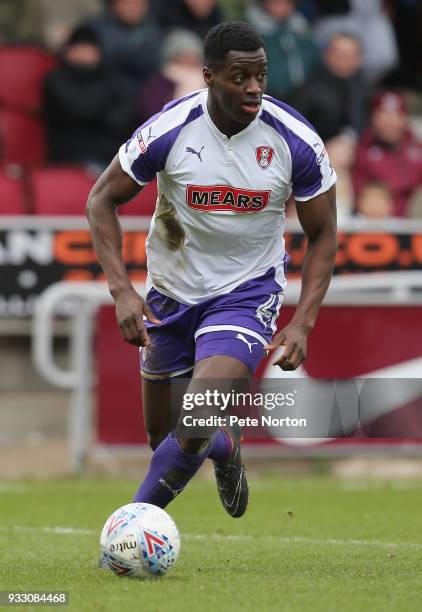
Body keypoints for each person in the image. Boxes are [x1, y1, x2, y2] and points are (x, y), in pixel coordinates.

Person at [87, 22, 337, 536]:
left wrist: (304, 322)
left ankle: (128, 533)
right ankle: (225, 446)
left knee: (196, 415)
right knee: (168, 440)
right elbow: (100, 200)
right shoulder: (170, 129)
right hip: (169, 294)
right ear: (208, 77)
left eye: (261, 75)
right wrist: (122, 291)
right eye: (240, 76)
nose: (254, 88)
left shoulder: (295, 140)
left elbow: (324, 232)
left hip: (247, 293)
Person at [44, 25, 136, 171]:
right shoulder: (56, 80)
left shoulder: (113, 79)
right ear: (68, 52)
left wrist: (97, 113)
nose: (85, 54)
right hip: (71, 156)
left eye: (89, 48)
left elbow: (123, 118)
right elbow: (81, 108)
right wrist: (106, 104)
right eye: (79, 48)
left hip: (110, 154)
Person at [353, 90, 422, 217]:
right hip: (375, 220)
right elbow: (359, 193)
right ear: (373, 119)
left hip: (413, 222)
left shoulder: (417, 149)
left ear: (404, 118)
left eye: (395, 116)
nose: (389, 122)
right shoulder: (363, 149)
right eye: (383, 116)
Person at [246, 0, 320, 98]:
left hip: (302, 93)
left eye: (288, 3)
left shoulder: (300, 28)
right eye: (277, 2)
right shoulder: (250, 30)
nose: (282, 6)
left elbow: (313, 57)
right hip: (266, 95)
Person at [137, 29, 204, 124]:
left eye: (193, 56)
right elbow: (152, 116)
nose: (189, 61)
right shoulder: (158, 85)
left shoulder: (208, 82)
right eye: (184, 56)